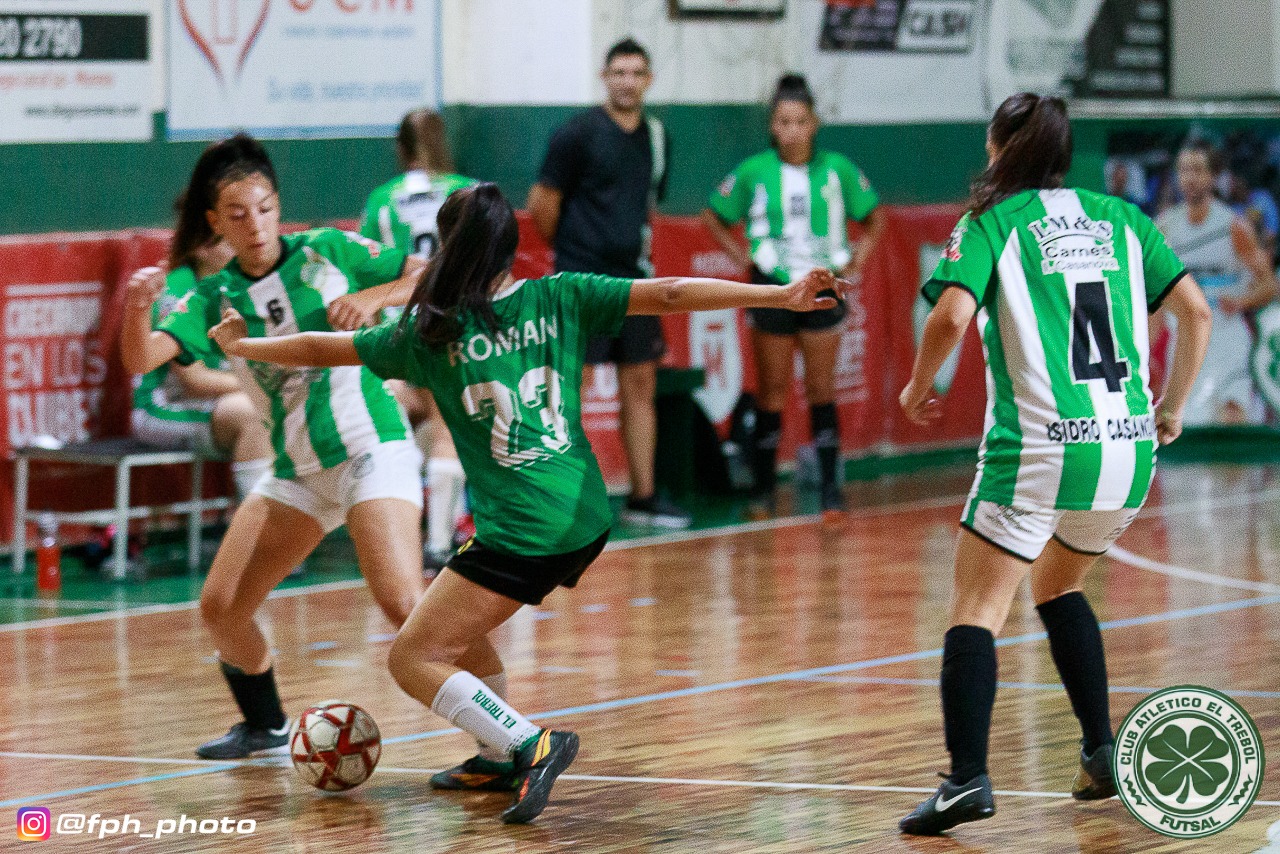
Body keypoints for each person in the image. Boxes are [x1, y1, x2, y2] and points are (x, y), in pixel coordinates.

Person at [207, 183, 843, 823]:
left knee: (412, 656)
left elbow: (323, 347)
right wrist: (779, 295)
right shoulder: (559, 294)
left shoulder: (429, 335)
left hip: (521, 532)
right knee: (455, 626)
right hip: (585, 514)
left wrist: (243, 348)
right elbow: (673, 293)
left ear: (447, 252)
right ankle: (493, 755)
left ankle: (527, 743)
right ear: (513, 250)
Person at [896, 94, 1211, 836]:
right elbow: (1196, 312)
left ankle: (965, 780)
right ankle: (1101, 753)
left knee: (976, 608)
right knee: (1059, 582)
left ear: (1003, 149)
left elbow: (948, 316)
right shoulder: (1125, 219)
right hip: (1127, 447)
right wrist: (1172, 407)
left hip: (1040, 444)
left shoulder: (991, 221)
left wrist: (917, 385)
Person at [119, 133, 439, 760]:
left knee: (403, 603)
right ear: (216, 223)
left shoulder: (327, 249)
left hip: (369, 447)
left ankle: (506, 730)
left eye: (264, 208)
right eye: (237, 215)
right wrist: (137, 307)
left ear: (278, 207)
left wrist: (370, 299)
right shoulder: (212, 297)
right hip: (297, 470)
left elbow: (424, 273)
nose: (255, 225)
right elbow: (142, 357)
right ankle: (264, 726)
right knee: (222, 607)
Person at [703, 73, 884, 520]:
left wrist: (858, 257)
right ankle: (763, 491)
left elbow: (875, 216)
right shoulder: (754, 170)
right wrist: (744, 254)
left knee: (822, 390)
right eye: (782, 122)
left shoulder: (838, 168)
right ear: (772, 126)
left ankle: (830, 492)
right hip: (774, 287)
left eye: (800, 121)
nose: (791, 130)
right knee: (772, 393)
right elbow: (713, 214)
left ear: (815, 124)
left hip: (824, 284)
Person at [527, 38, 690, 529]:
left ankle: (642, 496)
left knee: (640, 382)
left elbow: (649, 203)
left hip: (634, 281)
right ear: (604, 77)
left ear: (649, 80)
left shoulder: (657, 137)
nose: (627, 81)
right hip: (582, 281)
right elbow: (542, 205)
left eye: (637, 72)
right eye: (618, 72)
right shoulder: (576, 134)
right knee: (568, 387)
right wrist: (577, 256)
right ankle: (563, 498)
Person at [361, 108, 480, 569]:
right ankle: (436, 543)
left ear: (400, 147)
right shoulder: (463, 189)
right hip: (455, 321)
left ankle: (403, 537)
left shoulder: (383, 199)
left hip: (402, 327)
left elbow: (367, 263)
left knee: (404, 423)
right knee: (446, 424)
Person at [127, 222, 272, 502]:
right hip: (162, 407)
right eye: (229, 242)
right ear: (200, 248)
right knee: (254, 413)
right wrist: (258, 386)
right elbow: (194, 381)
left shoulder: (239, 285)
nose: (240, 248)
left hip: (215, 401)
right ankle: (256, 530)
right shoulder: (179, 288)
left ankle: (285, 522)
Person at [1156, 140, 1277, 425]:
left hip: (1226, 337)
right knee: (1185, 427)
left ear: (1213, 177)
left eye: (1198, 170)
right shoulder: (1165, 226)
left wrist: (1241, 301)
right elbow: (1153, 295)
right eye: (1184, 170)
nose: (1189, 178)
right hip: (1184, 340)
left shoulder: (1233, 226)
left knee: (1232, 419)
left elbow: (1270, 285)